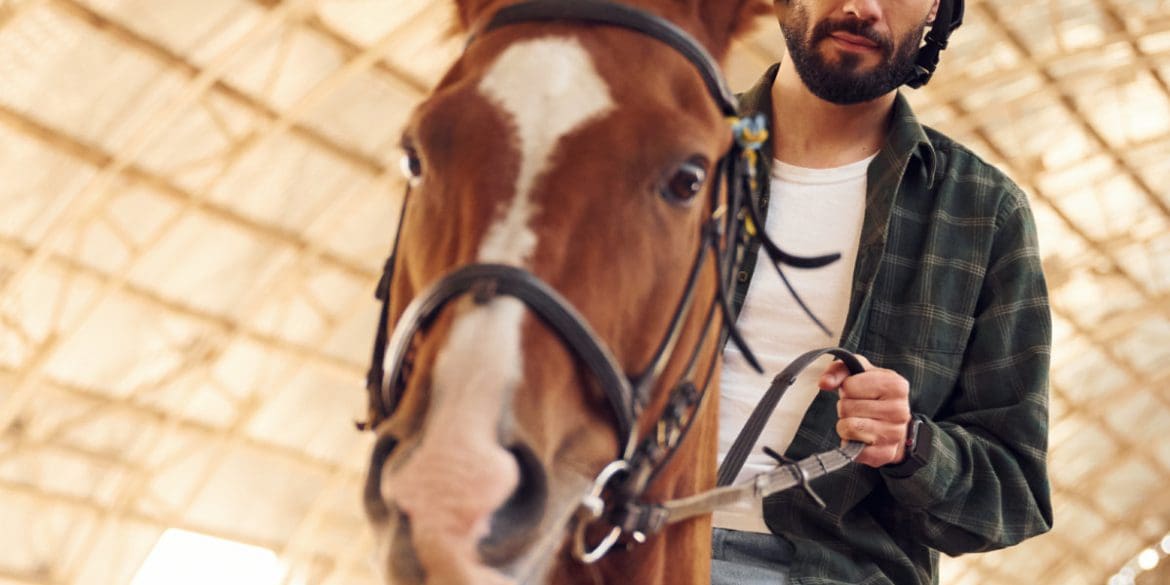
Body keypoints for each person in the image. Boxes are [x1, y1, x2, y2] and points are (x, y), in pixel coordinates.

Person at [712, 0, 1054, 583]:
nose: (861, 7)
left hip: (831, 569)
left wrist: (911, 445)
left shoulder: (984, 213)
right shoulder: (667, 151)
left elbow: (1012, 499)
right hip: (618, 538)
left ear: (936, 13)